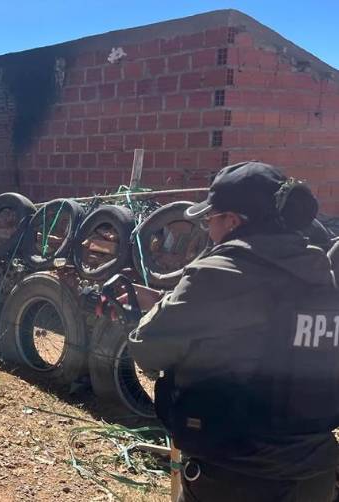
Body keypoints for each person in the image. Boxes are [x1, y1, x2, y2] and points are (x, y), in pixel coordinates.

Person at [126, 161, 339, 501]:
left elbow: (148, 348)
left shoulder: (217, 273)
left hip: (237, 473)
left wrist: (157, 309)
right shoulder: (320, 272)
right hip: (314, 471)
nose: (208, 228)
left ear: (233, 221)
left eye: (211, 218)